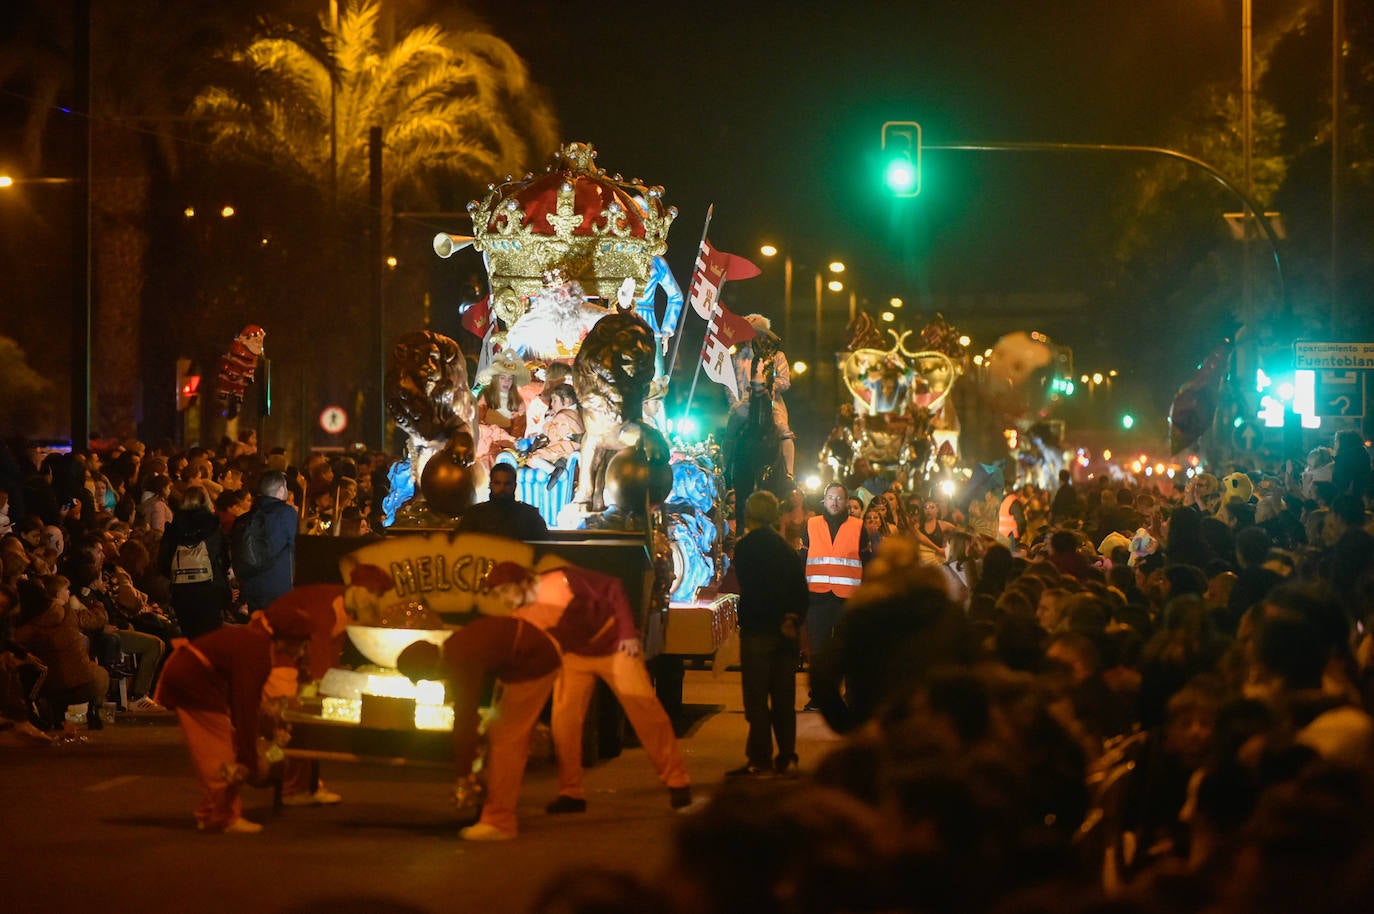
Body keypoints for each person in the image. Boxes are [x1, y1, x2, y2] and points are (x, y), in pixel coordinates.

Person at [484, 561, 692, 820]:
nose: (503, 599)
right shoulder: (520, 614)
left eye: (505, 591)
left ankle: (677, 781)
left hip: (615, 645)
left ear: (523, 582)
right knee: (564, 722)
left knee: (645, 711)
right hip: (574, 656)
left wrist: (627, 633)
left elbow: (612, 588)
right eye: (498, 594)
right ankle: (570, 792)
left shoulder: (562, 580)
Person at [395, 607, 563, 841]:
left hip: (535, 664)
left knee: (507, 741)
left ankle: (500, 821)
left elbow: (465, 718)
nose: (431, 681)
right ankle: (492, 803)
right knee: (497, 732)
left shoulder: (461, 660)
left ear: (430, 668)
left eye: (423, 678)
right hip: (526, 659)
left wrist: (463, 775)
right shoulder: (454, 647)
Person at [154, 603, 314, 833]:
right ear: (289, 638)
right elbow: (245, 705)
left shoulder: (260, 644)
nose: (303, 651)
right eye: (302, 643)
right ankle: (222, 817)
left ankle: (212, 813)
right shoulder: (258, 651)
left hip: (198, 681)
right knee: (218, 753)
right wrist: (248, 756)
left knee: (221, 749)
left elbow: (247, 703)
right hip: (194, 684)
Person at [722, 491, 808, 777]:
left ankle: (760, 758)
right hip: (785, 632)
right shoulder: (786, 550)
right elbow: (800, 591)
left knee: (756, 701)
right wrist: (793, 619)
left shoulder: (746, 548)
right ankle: (787, 755)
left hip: (758, 632)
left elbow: (747, 584)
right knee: (783, 699)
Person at [800, 483, 867, 711]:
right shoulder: (810, 525)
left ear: (846, 501)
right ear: (824, 500)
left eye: (839, 498)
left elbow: (867, 563)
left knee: (848, 649)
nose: (834, 502)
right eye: (830, 497)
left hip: (848, 599)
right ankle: (819, 696)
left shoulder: (859, 527)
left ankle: (852, 696)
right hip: (817, 599)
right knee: (818, 651)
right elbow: (802, 561)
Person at [158, 484, 231, 641]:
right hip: (210, 589)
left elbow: (163, 562)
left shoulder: (174, 528)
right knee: (210, 637)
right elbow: (224, 559)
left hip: (182, 591)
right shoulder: (214, 527)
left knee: (190, 636)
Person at [727, 315, 795, 479]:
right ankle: (726, 468)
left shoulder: (777, 356)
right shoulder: (738, 358)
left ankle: (789, 473)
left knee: (783, 430)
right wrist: (735, 403)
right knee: (730, 431)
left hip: (771, 401)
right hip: (744, 403)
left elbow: (785, 381)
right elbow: (731, 385)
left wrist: (770, 386)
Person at [232, 470, 297, 614]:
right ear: (281, 490)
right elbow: (296, 544)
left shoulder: (244, 519)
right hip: (278, 587)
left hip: (251, 586)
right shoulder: (286, 513)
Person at [455, 463, 549, 541]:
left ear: (514, 486)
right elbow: (460, 545)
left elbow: (544, 549)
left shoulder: (530, 516)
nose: (502, 488)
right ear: (491, 484)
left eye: (507, 484)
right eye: (497, 483)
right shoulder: (474, 515)